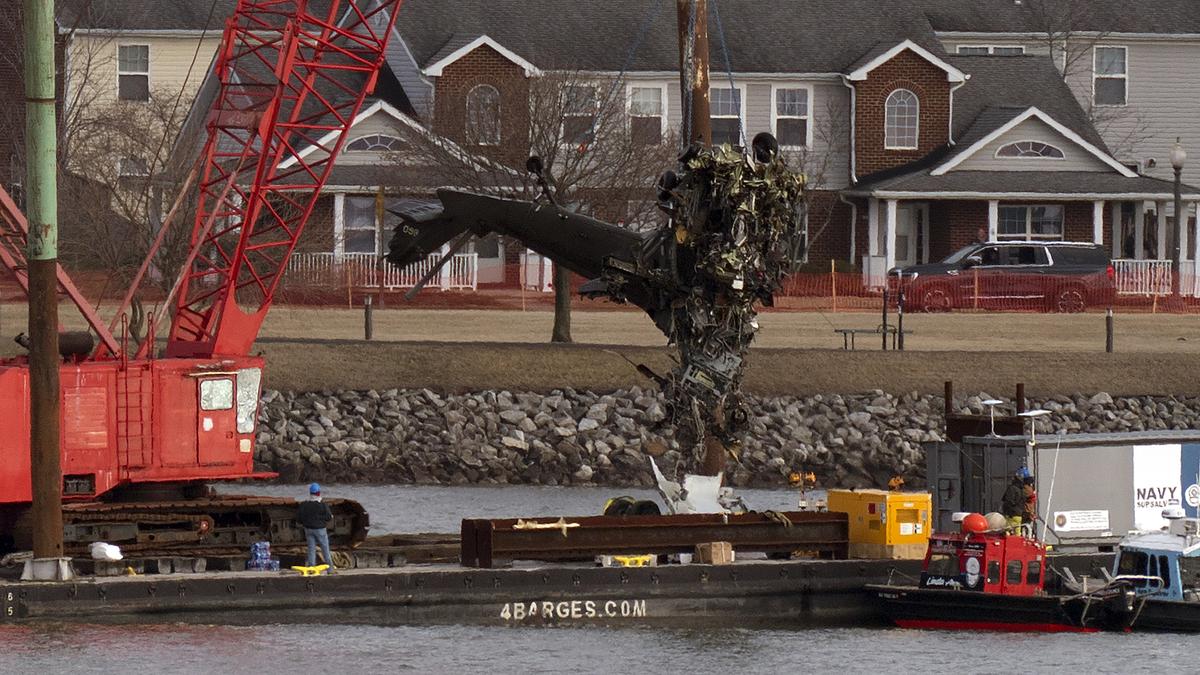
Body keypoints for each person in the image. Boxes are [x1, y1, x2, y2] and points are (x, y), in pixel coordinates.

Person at [298, 482, 334, 570]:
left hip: (308, 529)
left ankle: (311, 567)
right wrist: (321, 518)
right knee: (325, 548)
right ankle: (330, 568)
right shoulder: (322, 505)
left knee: (311, 549)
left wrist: (305, 522)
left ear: (310, 493)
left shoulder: (304, 505)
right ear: (318, 493)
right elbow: (329, 517)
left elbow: (299, 518)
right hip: (320, 529)